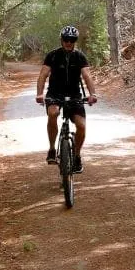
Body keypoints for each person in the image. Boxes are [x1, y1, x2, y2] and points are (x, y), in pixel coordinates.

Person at [36, 25, 98, 172]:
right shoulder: (52, 55)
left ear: (75, 41)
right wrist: (39, 93)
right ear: (61, 40)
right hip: (55, 94)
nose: (68, 42)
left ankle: (76, 156)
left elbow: (87, 76)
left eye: (72, 40)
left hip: (75, 95)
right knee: (53, 113)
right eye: (66, 39)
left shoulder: (80, 56)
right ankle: (52, 149)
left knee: (81, 126)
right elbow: (43, 75)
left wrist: (92, 94)